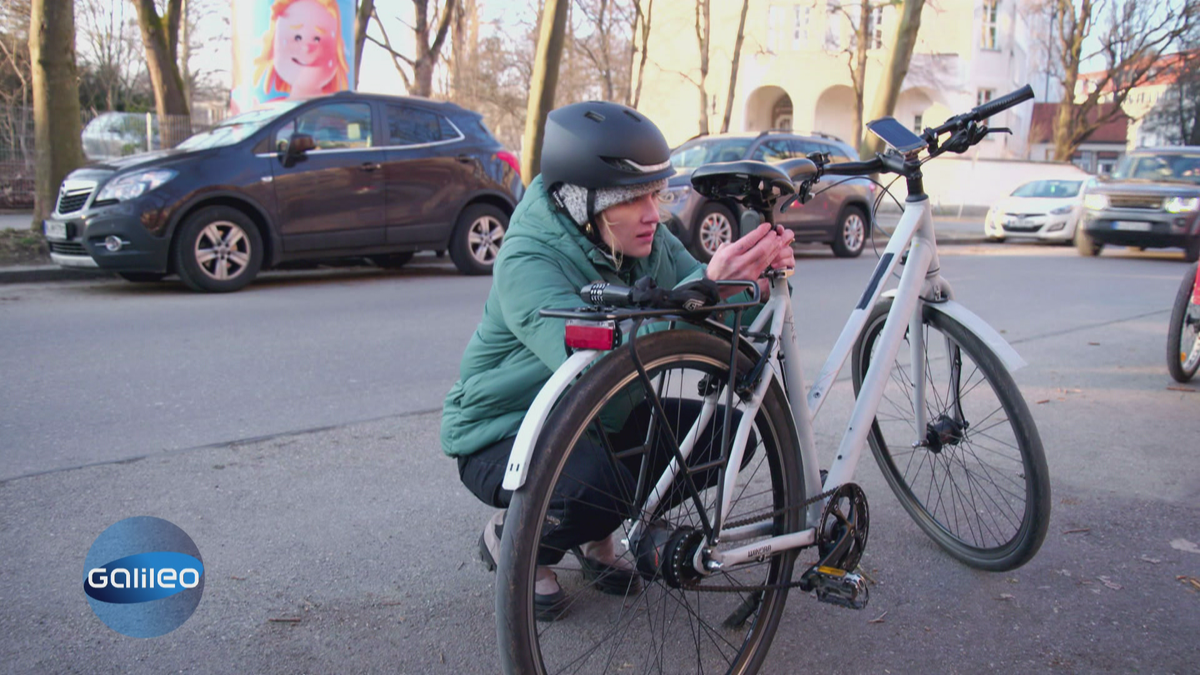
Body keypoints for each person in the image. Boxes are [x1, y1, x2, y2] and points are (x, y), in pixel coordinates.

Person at [440, 101, 795, 620]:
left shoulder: (645, 240)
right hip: (502, 431)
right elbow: (596, 358)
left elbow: (703, 299)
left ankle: (595, 533)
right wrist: (706, 294)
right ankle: (517, 541)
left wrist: (754, 281)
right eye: (633, 198)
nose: (654, 212)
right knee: (593, 485)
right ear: (584, 202)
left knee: (723, 438)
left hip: (602, 416)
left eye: (656, 193)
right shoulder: (527, 259)